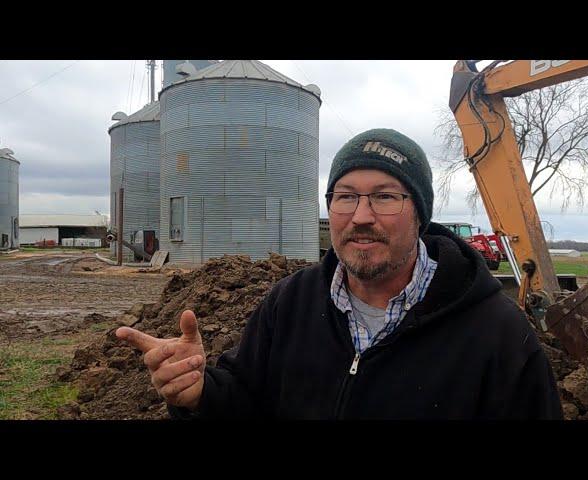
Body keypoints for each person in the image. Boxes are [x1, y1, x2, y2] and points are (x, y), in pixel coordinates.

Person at [116, 128, 563, 420]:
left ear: (420, 214)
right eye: (345, 197)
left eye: (385, 197)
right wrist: (198, 395)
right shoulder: (289, 304)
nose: (361, 216)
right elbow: (245, 400)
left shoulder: (497, 334)